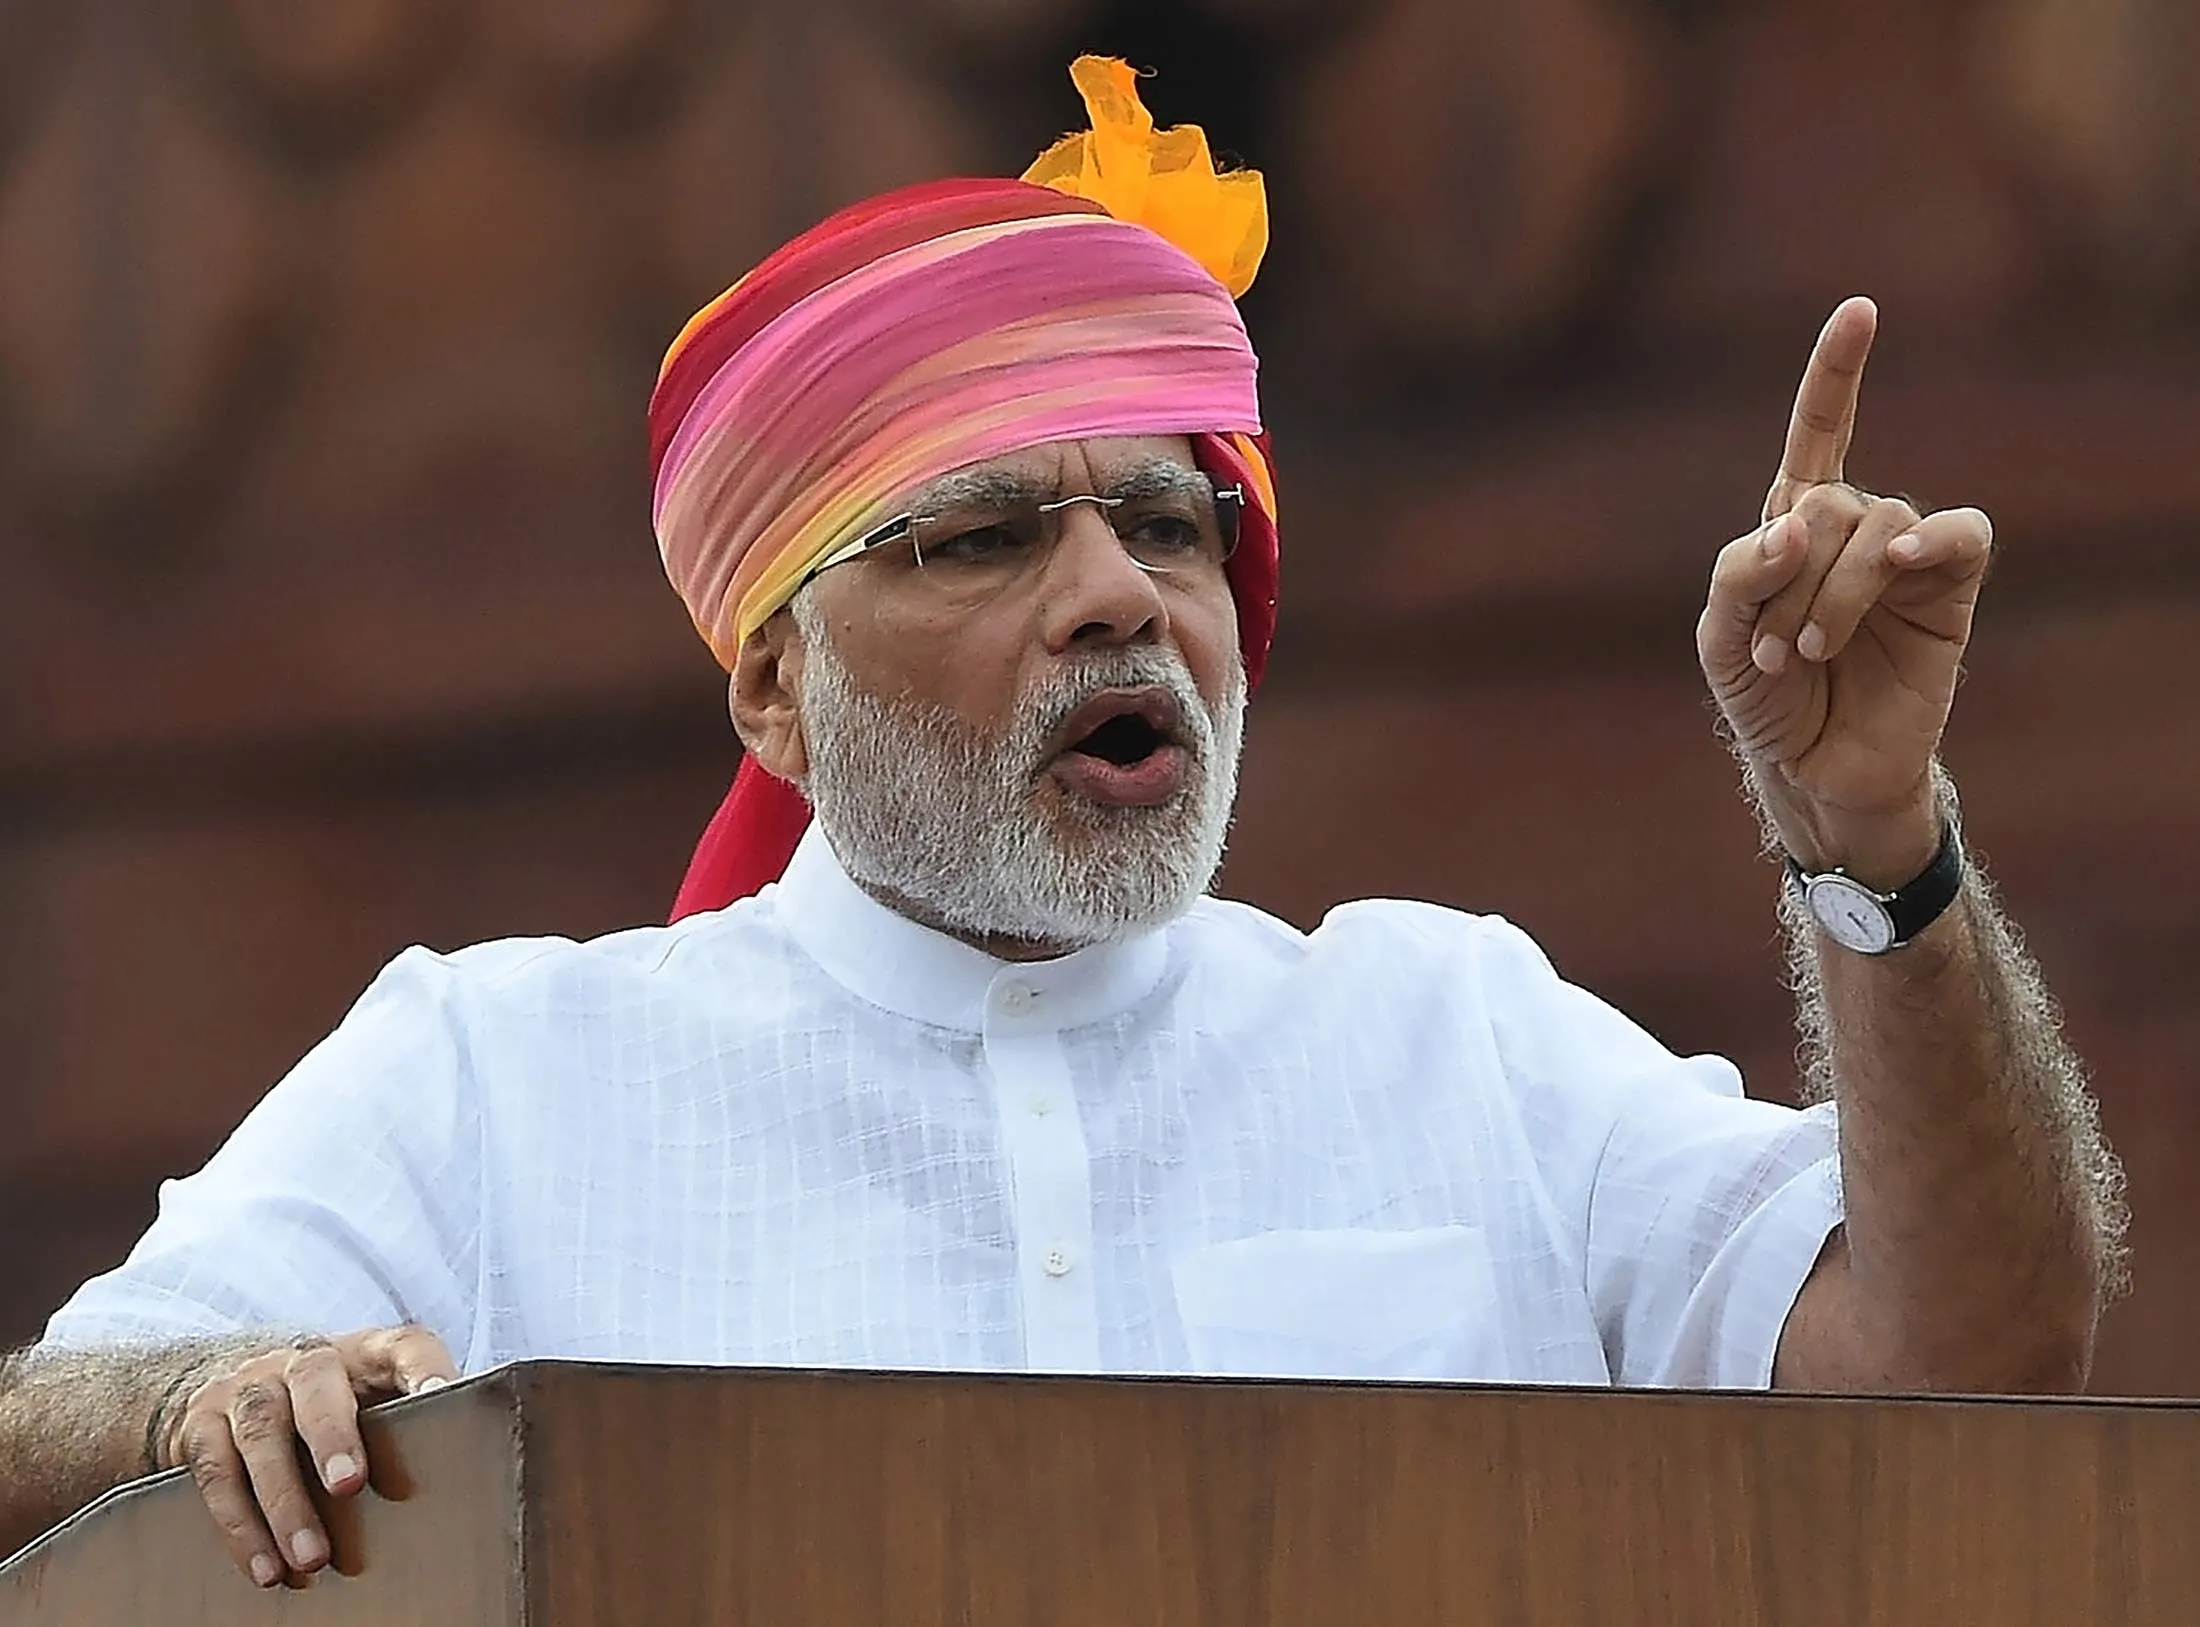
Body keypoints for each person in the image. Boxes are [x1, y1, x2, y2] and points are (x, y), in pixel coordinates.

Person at [0, 57, 2122, 1592]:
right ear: (772, 691)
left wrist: (1872, 845)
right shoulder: (495, 1073)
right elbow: (31, 1443)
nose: (1115, 590)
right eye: (984, 535)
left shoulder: (1452, 1035)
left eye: (1168, 525)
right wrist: (195, 1403)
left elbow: (1964, 1362)